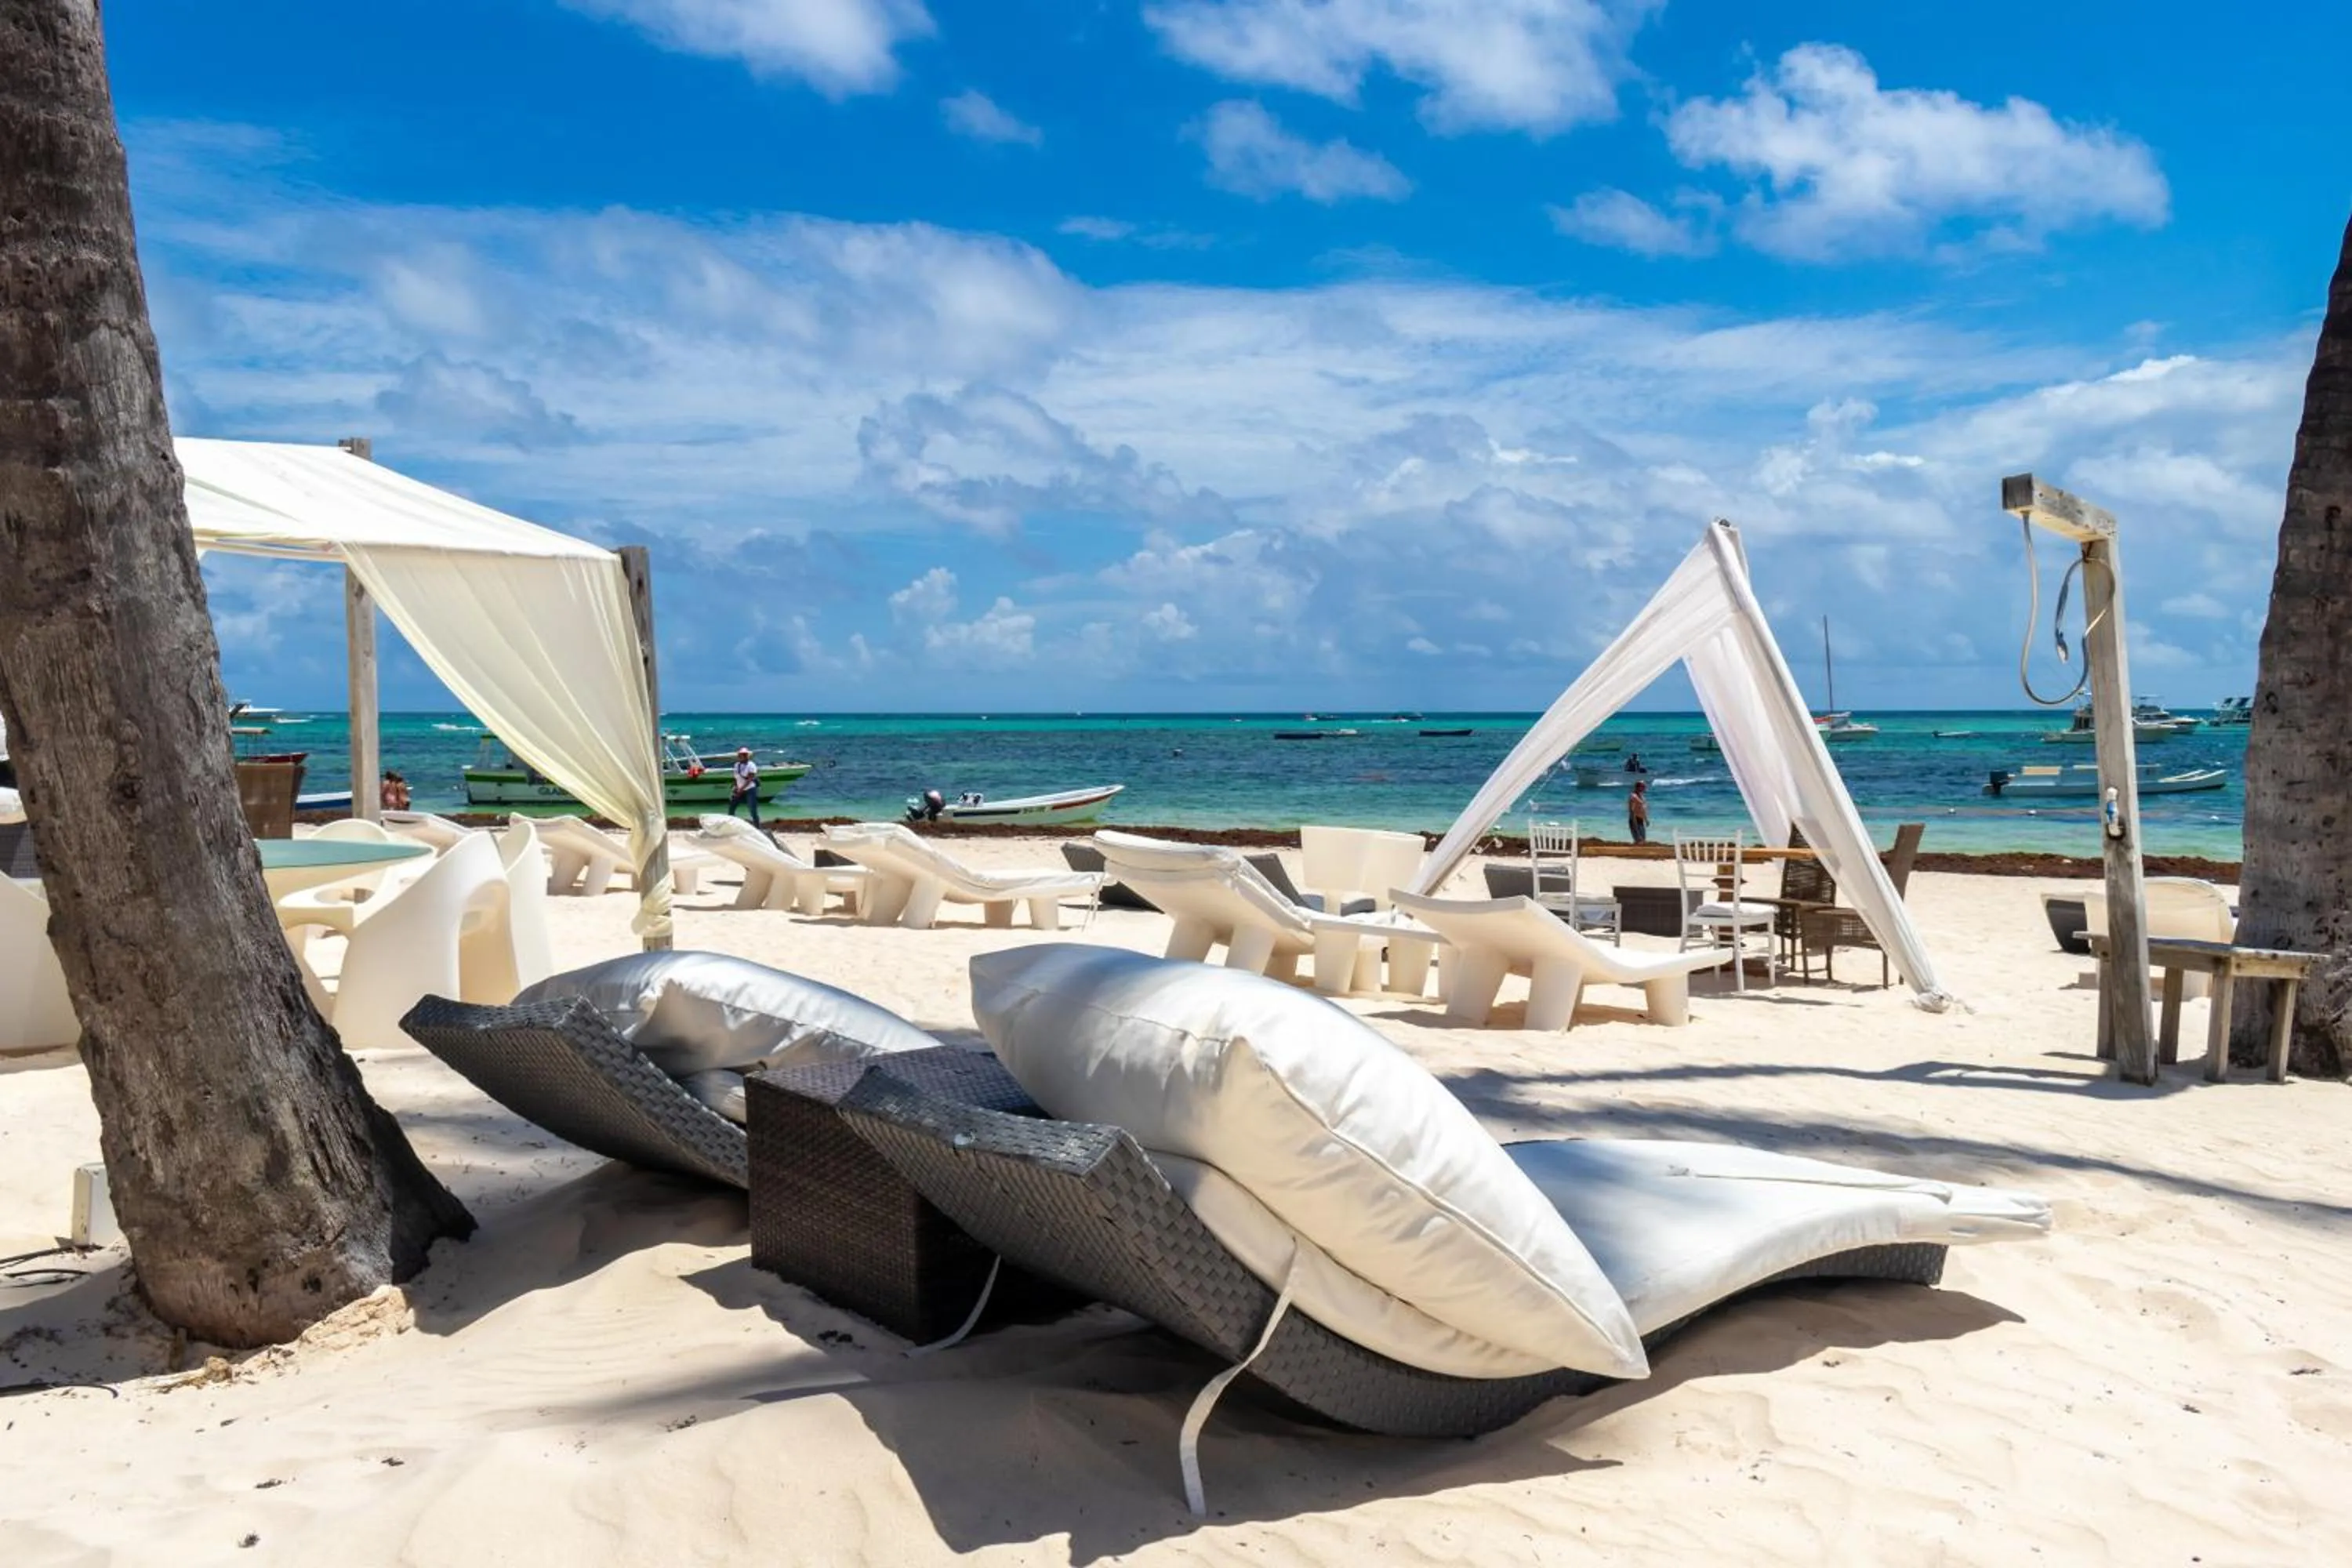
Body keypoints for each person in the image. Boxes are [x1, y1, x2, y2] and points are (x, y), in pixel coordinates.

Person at [728, 746, 761, 826]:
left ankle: (757, 827)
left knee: (752, 810)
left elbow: (749, 780)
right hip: (739, 789)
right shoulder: (737, 765)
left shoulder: (751, 765)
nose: (743, 756)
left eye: (745, 754)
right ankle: (731, 825)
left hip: (750, 790)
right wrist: (735, 787)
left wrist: (741, 790)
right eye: (741, 755)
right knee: (732, 807)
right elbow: (737, 777)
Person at [1626, 779, 1650, 845]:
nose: (1645, 788)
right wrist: (1634, 823)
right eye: (1643, 786)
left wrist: (1646, 819)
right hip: (1635, 819)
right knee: (1639, 839)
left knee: (1643, 839)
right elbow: (1632, 811)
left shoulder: (1642, 797)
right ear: (1638, 787)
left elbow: (1643, 810)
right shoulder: (1633, 796)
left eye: (1644, 786)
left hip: (1640, 820)